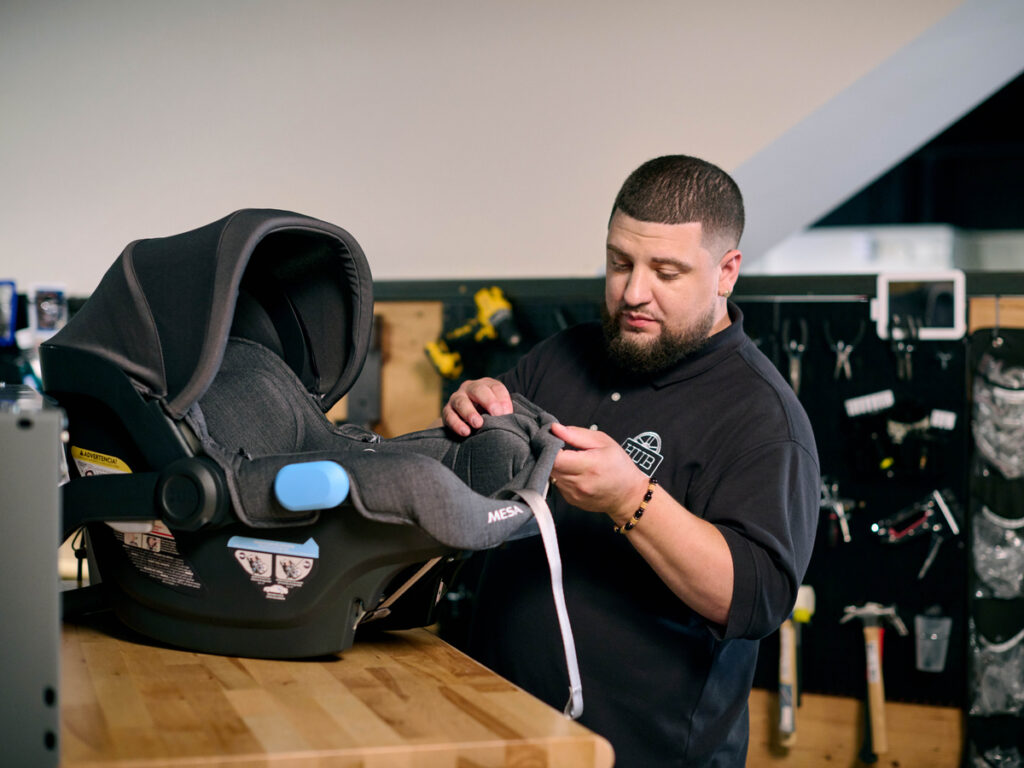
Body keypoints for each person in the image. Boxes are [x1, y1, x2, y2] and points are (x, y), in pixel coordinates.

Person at [441, 155, 819, 767]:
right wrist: (469, 410)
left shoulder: (764, 418)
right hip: (503, 733)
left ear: (726, 273)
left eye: (666, 271)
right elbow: (476, 471)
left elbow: (755, 598)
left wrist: (631, 499)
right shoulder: (562, 356)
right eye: (620, 262)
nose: (633, 292)